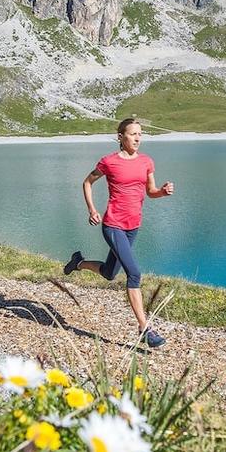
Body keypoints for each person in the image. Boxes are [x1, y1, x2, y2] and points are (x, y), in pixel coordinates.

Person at [63, 118, 174, 348]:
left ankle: (78, 263)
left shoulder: (146, 161)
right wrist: (92, 209)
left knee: (109, 272)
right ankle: (145, 328)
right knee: (134, 274)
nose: (137, 138)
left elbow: (151, 191)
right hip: (113, 225)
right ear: (120, 137)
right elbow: (87, 182)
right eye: (133, 134)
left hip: (134, 226)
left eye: (140, 134)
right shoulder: (109, 162)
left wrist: (162, 192)